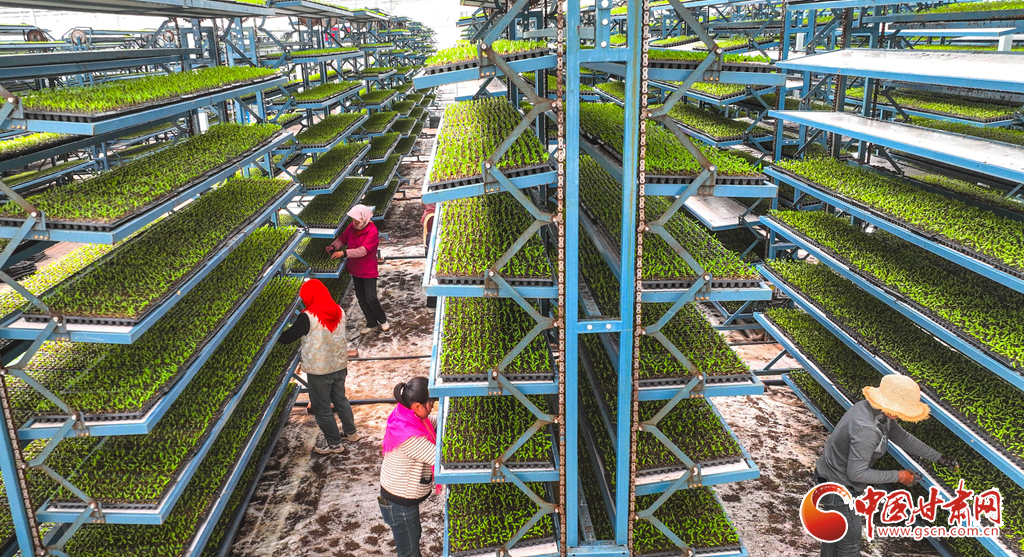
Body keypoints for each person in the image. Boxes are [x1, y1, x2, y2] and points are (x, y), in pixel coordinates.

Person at [814, 375, 958, 557]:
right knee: (850, 546)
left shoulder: (876, 411)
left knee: (834, 534)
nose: (899, 414)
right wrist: (899, 476)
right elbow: (857, 473)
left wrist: (939, 458)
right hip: (838, 488)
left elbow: (903, 438)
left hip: (828, 476)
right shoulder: (867, 430)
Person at [278, 279, 361, 455]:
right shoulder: (338, 310)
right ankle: (351, 433)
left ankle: (334, 444)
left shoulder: (307, 317)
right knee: (340, 400)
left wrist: (274, 329)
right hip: (339, 365)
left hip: (320, 370)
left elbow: (286, 338)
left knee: (322, 408)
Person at [378, 377, 439, 557]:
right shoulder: (410, 436)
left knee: (413, 535)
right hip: (399, 502)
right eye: (430, 404)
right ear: (417, 406)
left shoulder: (406, 414)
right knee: (409, 552)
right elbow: (441, 458)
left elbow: (434, 421)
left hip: (399, 497)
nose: (432, 407)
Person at [327, 204, 389, 334]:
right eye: (353, 219)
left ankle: (383, 320)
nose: (355, 222)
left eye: (357, 220)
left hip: (368, 270)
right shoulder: (352, 227)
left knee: (371, 298)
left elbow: (363, 251)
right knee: (361, 298)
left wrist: (343, 253)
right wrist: (334, 246)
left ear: (364, 218)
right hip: (356, 269)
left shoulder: (372, 231)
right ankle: (371, 323)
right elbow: (343, 239)